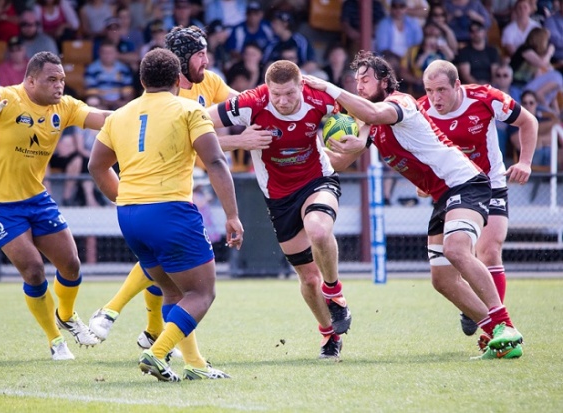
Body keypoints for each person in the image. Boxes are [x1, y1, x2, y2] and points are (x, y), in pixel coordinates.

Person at [304, 50, 524, 359]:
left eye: (365, 80)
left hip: (465, 183)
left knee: (457, 249)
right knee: (443, 280)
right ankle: (499, 336)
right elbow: (341, 161)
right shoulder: (368, 122)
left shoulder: (401, 103)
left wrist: (328, 88)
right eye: (356, 82)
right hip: (443, 195)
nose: (360, 86)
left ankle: (504, 326)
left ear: (385, 80)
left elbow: (372, 113)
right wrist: (310, 144)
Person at [88, 24, 271, 357]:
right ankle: (129, 324)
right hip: (173, 196)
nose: (207, 61)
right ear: (180, 63)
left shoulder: (206, 82)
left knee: (167, 280)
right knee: (198, 288)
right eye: (201, 55)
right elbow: (208, 153)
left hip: (141, 205)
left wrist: (284, 105)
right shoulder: (178, 102)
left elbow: (245, 103)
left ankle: (162, 339)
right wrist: (240, 144)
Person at [0, 51, 112, 360]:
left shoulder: (64, 106)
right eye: (51, 80)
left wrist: (144, 113)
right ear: (30, 80)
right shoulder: (6, 98)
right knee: (33, 270)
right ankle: (56, 341)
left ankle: (66, 315)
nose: (59, 86)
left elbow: (104, 119)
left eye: (62, 80)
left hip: (35, 198)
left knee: (71, 264)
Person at [207, 59, 353, 358]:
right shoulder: (250, 103)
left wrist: (357, 141)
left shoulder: (320, 98)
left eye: (290, 94)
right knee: (308, 279)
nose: (283, 101)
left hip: (318, 180)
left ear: (301, 85)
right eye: (277, 95)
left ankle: (335, 293)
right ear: (267, 89)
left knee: (318, 229)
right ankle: (328, 335)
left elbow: (362, 116)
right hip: (279, 197)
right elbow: (194, 128)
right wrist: (239, 140)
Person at [418, 59, 538, 337]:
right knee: (452, 261)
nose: (435, 98)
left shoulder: (484, 98)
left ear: (457, 85)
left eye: (441, 90)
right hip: (451, 189)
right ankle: (476, 305)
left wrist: (526, 162)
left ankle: (497, 328)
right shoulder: (420, 109)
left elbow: (528, 121)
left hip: (490, 184)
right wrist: (422, 181)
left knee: (489, 249)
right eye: (429, 90)